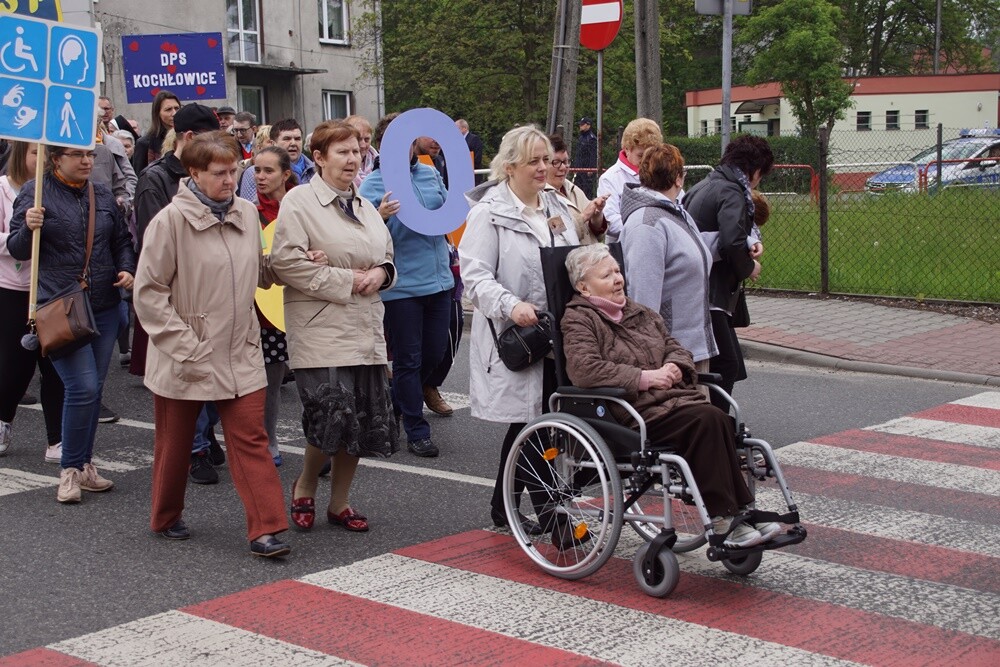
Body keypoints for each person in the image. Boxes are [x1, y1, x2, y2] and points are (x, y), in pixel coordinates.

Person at [560, 244, 782, 548]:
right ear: (584, 287)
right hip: (630, 412)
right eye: (607, 274)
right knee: (708, 419)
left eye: (617, 270)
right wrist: (643, 378)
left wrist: (676, 366)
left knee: (720, 421)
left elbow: (675, 346)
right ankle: (725, 517)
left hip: (673, 402)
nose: (618, 278)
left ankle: (739, 513)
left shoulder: (639, 312)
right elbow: (584, 369)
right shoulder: (579, 319)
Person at [134, 131, 291, 558]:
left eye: (233, 170)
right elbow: (148, 294)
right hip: (188, 353)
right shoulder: (169, 221)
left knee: (251, 439)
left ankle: (266, 530)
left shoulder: (244, 211)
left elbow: (256, 270)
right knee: (175, 443)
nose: (229, 180)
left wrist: (282, 266)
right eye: (219, 173)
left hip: (240, 349)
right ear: (194, 173)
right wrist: (186, 346)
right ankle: (165, 516)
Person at [271, 120, 398, 534]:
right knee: (331, 414)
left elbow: (386, 255)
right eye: (341, 151)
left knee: (361, 418)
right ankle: (305, 484)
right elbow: (286, 263)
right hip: (321, 327)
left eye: (356, 150)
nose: (352, 158)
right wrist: (349, 280)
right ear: (319, 158)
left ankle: (339, 501)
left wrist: (382, 274)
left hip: (365, 327)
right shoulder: (300, 202)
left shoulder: (363, 205)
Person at [459, 125, 579, 532]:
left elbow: (574, 263)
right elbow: (475, 278)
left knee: (539, 422)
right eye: (534, 161)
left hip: (556, 334)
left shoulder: (556, 208)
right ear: (509, 167)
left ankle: (502, 507)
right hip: (519, 334)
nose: (544, 168)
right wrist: (512, 306)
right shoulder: (487, 214)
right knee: (533, 423)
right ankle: (551, 515)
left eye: (547, 159)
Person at [7, 145, 137, 504]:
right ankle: (69, 470)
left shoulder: (101, 194)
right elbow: (19, 250)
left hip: (104, 306)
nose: (86, 161)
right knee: (81, 387)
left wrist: (126, 268)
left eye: (90, 156)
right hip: (60, 306)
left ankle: (85, 465)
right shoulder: (34, 192)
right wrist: (28, 227)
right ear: (56, 159)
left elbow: (121, 241)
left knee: (93, 391)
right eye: (76, 155)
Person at [131, 103, 228, 481]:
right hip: (180, 294)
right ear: (189, 140)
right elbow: (156, 240)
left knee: (221, 378)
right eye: (210, 142)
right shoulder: (154, 179)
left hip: (215, 289)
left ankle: (203, 434)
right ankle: (195, 448)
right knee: (189, 374)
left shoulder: (218, 180)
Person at [360, 135, 454, 458]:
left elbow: (447, 214)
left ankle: (397, 399)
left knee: (435, 352)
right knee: (408, 360)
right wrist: (381, 215)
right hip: (402, 288)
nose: (406, 150)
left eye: (409, 143)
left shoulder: (429, 174)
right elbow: (362, 237)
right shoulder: (373, 184)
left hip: (439, 281)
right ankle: (416, 430)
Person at [683, 135, 774, 407]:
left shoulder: (705, 184)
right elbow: (730, 240)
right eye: (761, 175)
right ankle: (718, 427)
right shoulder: (732, 191)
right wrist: (749, 267)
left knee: (726, 361)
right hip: (711, 292)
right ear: (755, 171)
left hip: (698, 287)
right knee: (727, 363)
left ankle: (717, 424)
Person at [619, 143, 717, 372]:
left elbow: (696, 250)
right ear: (679, 179)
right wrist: (654, 360)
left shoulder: (673, 211)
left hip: (689, 347)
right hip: (670, 356)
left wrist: (744, 242)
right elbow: (643, 300)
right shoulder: (647, 224)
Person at [0, 141, 64, 463]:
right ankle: (3, 420)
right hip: (12, 288)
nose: (43, 160)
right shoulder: (1, 189)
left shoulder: (57, 190)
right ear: (21, 155)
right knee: (15, 365)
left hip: (51, 289)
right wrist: (22, 232)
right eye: (36, 153)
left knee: (54, 364)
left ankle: (56, 439)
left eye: (47, 154)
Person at [253, 145, 298, 465]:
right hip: (258, 311)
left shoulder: (301, 210)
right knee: (266, 384)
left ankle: (321, 443)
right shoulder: (247, 211)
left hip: (298, 305)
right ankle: (267, 439)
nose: (260, 177)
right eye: (256, 170)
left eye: (268, 171)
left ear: (285, 174)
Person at [598, 118, 663, 242]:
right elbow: (610, 219)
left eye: (650, 155)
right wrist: (646, 230)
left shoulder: (661, 173)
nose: (646, 161)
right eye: (640, 155)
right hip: (624, 248)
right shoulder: (610, 178)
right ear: (627, 149)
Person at [545, 133, 607, 245]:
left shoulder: (573, 189)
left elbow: (598, 234)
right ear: (543, 164)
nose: (563, 168)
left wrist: (597, 215)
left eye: (565, 162)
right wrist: (583, 217)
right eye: (556, 162)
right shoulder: (539, 195)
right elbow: (554, 232)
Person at [238, 119, 313, 203]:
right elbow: (249, 208)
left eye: (297, 139)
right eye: (287, 139)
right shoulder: (253, 172)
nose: (293, 143)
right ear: (273, 143)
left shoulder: (316, 170)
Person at [133, 90, 181, 175]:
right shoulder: (144, 143)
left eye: (177, 108)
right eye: (168, 109)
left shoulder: (185, 138)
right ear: (157, 113)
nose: (174, 113)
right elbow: (139, 177)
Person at [344, 115, 378, 187]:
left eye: (367, 139)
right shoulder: (341, 164)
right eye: (358, 139)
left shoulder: (379, 162)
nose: (363, 145)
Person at [572, 117, 597, 198]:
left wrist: (591, 168)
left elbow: (593, 155)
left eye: (582, 124)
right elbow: (578, 154)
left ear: (588, 125)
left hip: (586, 170)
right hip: (579, 168)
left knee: (587, 190)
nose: (580, 126)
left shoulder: (591, 138)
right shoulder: (581, 138)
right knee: (576, 189)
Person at [455, 119, 484, 183]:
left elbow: (477, 158)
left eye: (456, 128)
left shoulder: (474, 139)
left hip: (473, 176)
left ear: (464, 128)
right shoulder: (457, 141)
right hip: (460, 176)